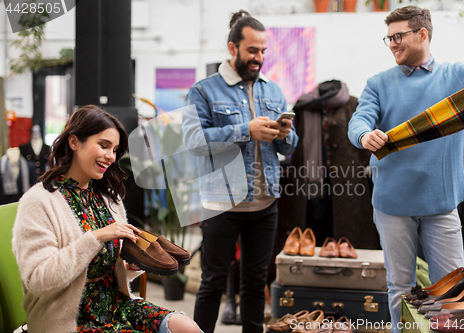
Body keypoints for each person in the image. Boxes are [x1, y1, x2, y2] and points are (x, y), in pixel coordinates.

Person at [347, 6, 464, 332]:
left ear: (422, 34)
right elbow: (359, 120)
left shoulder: (455, 75)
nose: (392, 43)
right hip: (392, 205)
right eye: (389, 38)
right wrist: (365, 134)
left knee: (451, 290)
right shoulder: (378, 83)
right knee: (400, 288)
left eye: (398, 36)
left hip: (441, 204)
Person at [12, 105, 201, 333]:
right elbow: (39, 281)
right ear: (74, 142)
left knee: (187, 327)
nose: (110, 156)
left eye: (115, 149)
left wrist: (132, 265)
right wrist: (97, 236)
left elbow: (112, 271)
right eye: (103, 146)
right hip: (67, 319)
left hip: (116, 307)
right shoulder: (39, 202)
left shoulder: (107, 198)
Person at [183, 10, 298, 333]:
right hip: (221, 203)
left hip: (265, 205)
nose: (258, 58)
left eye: (263, 51)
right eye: (252, 50)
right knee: (213, 283)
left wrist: (286, 134)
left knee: (255, 283)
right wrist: (245, 130)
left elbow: (289, 148)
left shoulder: (273, 91)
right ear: (233, 49)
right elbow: (193, 141)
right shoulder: (204, 91)